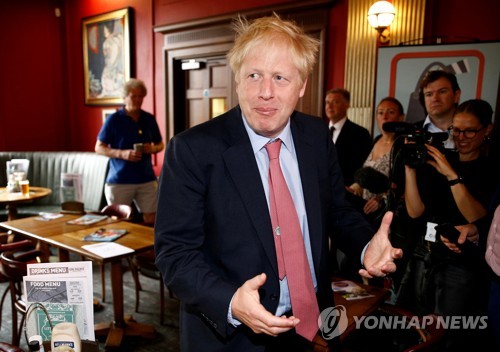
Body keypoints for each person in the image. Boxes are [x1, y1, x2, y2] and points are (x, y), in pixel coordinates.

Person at [154, 14, 402, 352]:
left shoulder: (315, 136)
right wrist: (230, 301)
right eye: (254, 75)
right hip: (231, 337)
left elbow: (337, 211)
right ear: (238, 80)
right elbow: (175, 255)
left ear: (301, 86)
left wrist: (365, 244)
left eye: (280, 77)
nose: (265, 92)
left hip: (312, 327)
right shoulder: (193, 149)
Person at [400, 99, 496, 350]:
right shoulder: (441, 158)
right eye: (455, 130)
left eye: (469, 130)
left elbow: (478, 216)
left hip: (460, 262)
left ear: (488, 129)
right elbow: (415, 211)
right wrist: (410, 169)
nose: (461, 137)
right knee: (415, 329)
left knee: (447, 335)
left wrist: (452, 176)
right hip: (424, 254)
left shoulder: (490, 168)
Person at [95, 78, 164, 225]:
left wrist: (151, 149)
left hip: (146, 178)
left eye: (141, 96)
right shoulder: (114, 120)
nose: (138, 100)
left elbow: (160, 144)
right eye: (134, 96)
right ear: (125, 97)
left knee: (153, 220)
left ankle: (150, 249)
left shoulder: (148, 119)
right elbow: (98, 147)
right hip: (120, 179)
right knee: (118, 222)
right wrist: (122, 154)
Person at [346, 97, 405, 225]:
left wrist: (382, 199)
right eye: (380, 112)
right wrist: (355, 187)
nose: (385, 117)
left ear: (401, 118)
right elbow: (366, 174)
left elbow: (404, 187)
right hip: (366, 212)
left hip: (389, 216)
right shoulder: (376, 140)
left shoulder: (402, 145)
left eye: (390, 112)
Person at [324, 88, 372, 186]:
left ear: (347, 105)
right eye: (327, 102)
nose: (329, 106)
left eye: (335, 102)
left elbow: (361, 167)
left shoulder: (360, 133)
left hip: (347, 191)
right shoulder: (319, 131)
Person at [414, 69, 461, 149]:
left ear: (456, 95)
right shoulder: (411, 132)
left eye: (442, 92)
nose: (435, 99)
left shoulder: (471, 132)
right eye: (429, 94)